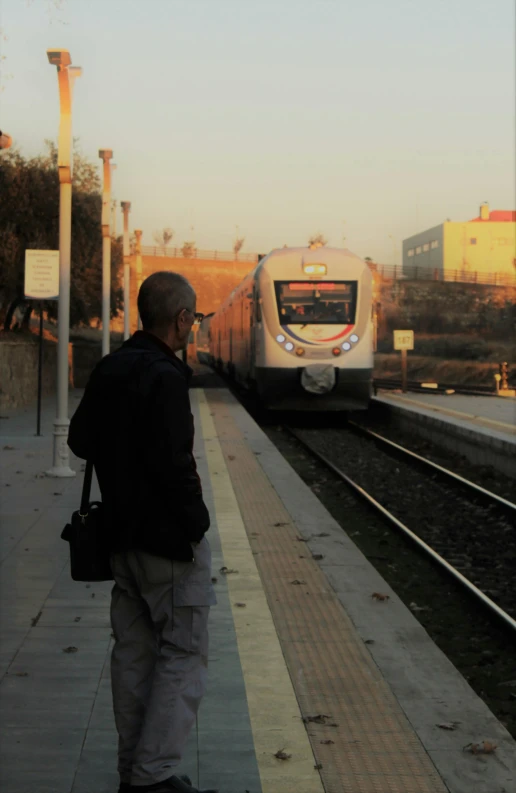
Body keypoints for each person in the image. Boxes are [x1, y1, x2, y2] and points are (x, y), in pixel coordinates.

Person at [68, 272, 218, 793]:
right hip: (167, 545)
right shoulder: (166, 376)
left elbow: (80, 441)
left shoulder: (110, 366)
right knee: (184, 650)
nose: (193, 326)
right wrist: (196, 524)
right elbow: (176, 464)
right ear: (180, 320)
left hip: (120, 541)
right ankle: (153, 777)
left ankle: (133, 769)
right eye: (194, 318)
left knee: (133, 652)